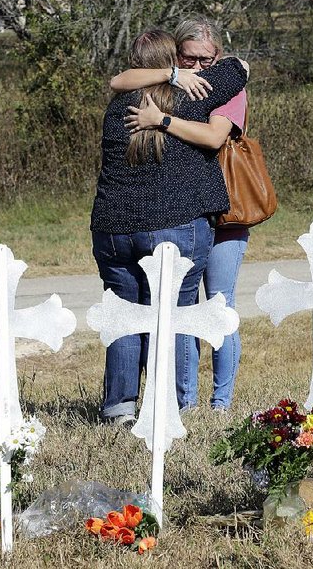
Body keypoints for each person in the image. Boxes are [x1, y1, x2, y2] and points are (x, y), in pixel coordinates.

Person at [92, 28, 247, 425]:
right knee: (176, 317)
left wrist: (169, 74)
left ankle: (121, 408)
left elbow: (117, 80)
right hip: (174, 226)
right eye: (185, 60)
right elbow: (241, 67)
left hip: (113, 228)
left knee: (125, 316)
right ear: (173, 61)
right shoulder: (194, 96)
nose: (195, 67)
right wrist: (177, 78)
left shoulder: (116, 109)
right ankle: (173, 405)